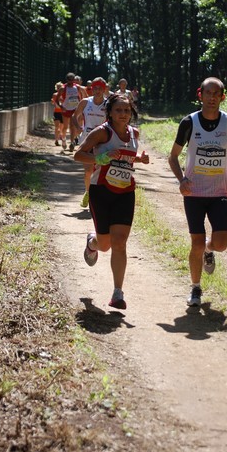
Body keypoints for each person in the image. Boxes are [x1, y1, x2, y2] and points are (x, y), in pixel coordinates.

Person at [168, 77, 227, 308]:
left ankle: (209, 251)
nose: (212, 97)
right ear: (199, 94)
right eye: (208, 93)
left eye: (217, 94)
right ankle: (195, 288)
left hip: (220, 191)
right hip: (193, 193)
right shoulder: (189, 123)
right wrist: (181, 179)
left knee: (221, 244)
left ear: (222, 97)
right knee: (196, 242)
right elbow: (173, 156)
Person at [73, 94, 149, 310]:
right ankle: (92, 242)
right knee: (104, 245)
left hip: (125, 192)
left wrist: (139, 160)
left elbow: (125, 158)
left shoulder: (134, 133)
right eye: (118, 110)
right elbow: (78, 155)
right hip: (102, 191)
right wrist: (100, 159)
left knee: (120, 242)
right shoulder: (102, 132)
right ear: (110, 112)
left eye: (126, 110)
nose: (123, 114)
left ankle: (118, 293)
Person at [71, 77, 108, 208]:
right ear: (92, 89)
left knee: (101, 170)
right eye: (95, 88)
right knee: (88, 171)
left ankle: (99, 196)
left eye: (100, 88)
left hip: (102, 141)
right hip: (86, 140)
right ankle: (88, 192)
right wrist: (78, 127)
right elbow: (74, 116)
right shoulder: (85, 102)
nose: (97, 91)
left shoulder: (108, 104)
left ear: (104, 89)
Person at [55, 72, 84, 151]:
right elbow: (56, 99)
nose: (71, 82)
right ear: (67, 80)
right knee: (65, 127)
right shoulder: (63, 88)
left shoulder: (77, 87)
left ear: (74, 80)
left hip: (74, 109)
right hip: (66, 109)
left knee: (72, 126)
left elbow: (80, 98)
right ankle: (64, 139)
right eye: (69, 80)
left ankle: (72, 143)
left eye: (72, 80)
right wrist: (61, 107)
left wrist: (80, 107)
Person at [51, 81, 64, 145]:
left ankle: (60, 136)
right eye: (58, 87)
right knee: (57, 127)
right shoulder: (55, 95)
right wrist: (53, 101)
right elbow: (53, 102)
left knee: (61, 128)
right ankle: (56, 140)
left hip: (63, 113)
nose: (59, 88)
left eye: (60, 87)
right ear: (56, 88)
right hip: (56, 112)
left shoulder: (64, 95)